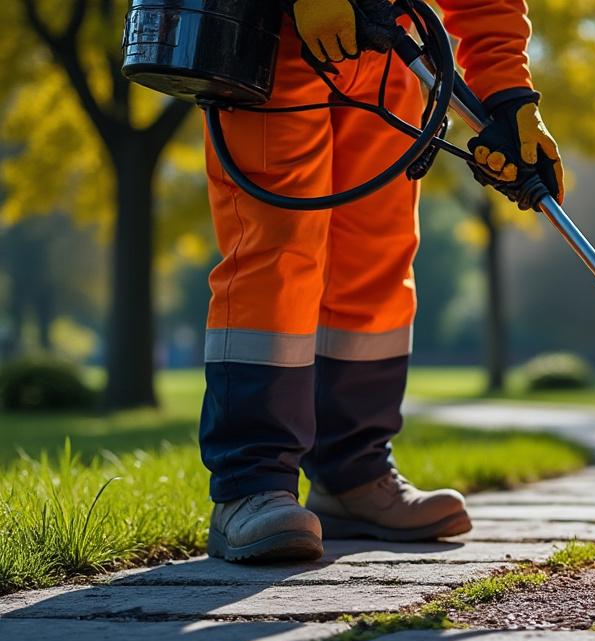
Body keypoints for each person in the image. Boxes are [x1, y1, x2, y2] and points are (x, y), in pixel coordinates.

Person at [201, 0, 564, 562]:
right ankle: (250, 486)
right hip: (275, 36)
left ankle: (353, 477)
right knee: (275, 254)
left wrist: (508, 91)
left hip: (387, 50)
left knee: (374, 261)